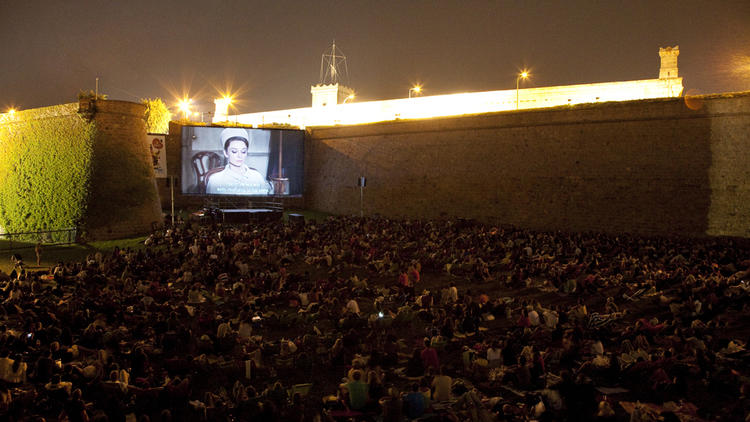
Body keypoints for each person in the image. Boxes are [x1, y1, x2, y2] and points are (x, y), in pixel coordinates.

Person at [206, 128, 272, 195]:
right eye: (234, 151)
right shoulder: (215, 180)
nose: (239, 156)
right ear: (225, 153)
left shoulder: (257, 177)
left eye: (243, 151)